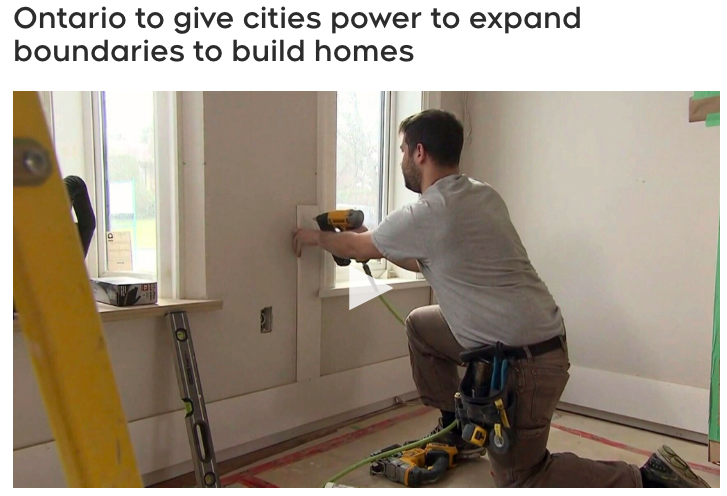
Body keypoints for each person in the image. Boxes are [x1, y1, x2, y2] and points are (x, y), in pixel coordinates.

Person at [293, 109, 710, 488]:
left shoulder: (429, 212)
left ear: (420, 152)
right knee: (421, 324)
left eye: (403, 149)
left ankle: (648, 479)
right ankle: (456, 430)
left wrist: (313, 236)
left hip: (526, 363)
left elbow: (362, 246)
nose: (401, 157)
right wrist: (379, 247)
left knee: (523, 477)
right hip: (533, 341)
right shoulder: (481, 195)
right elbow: (427, 260)